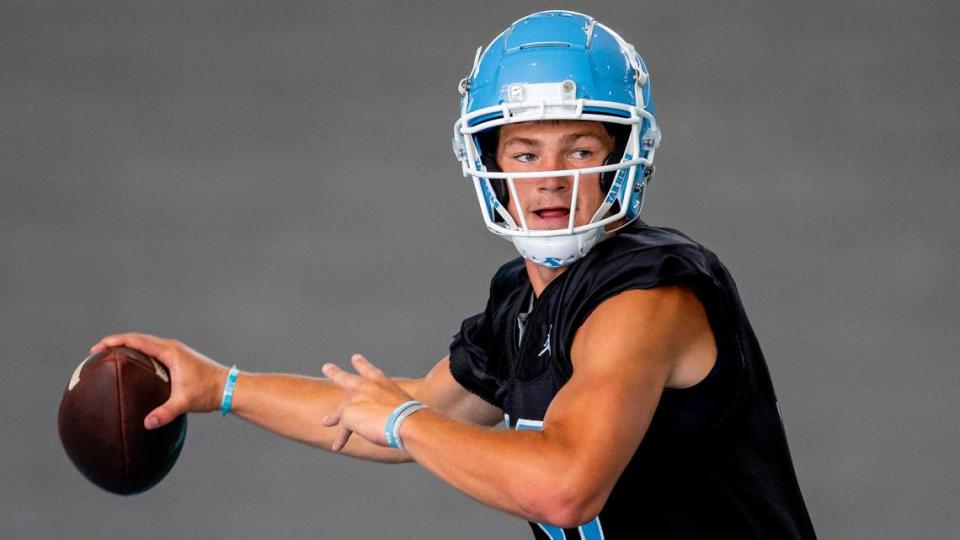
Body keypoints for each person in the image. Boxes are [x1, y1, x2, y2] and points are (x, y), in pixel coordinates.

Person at [91, 10, 816, 539]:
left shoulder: (647, 296)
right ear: (492, 166)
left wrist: (404, 422)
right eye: (526, 153)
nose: (551, 180)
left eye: (581, 150)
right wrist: (222, 387)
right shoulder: (524, 301)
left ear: (625, 153)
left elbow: (564, 488)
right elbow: (395, 415)